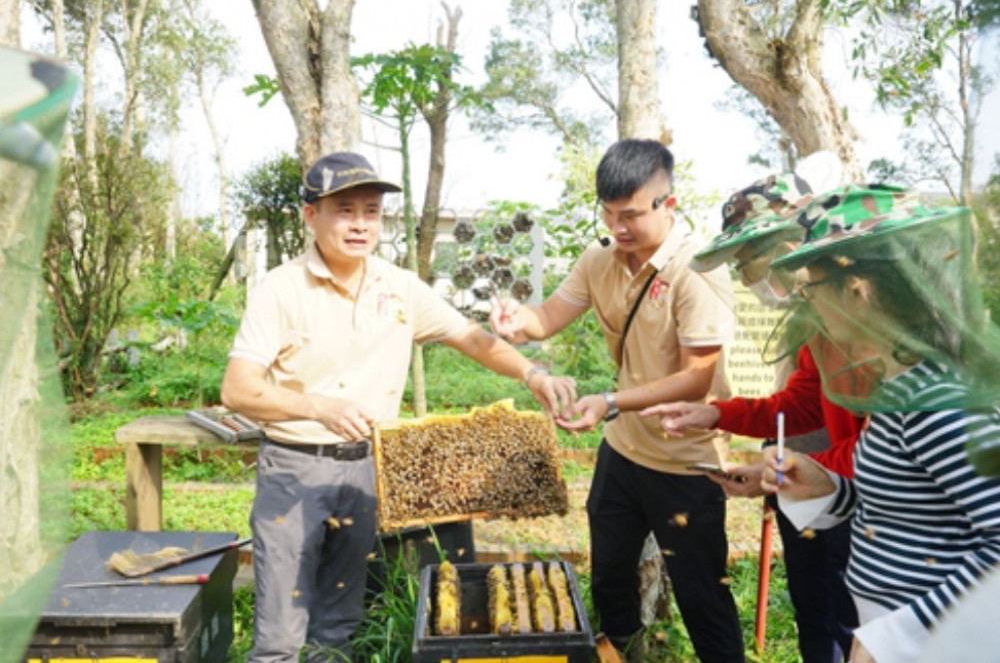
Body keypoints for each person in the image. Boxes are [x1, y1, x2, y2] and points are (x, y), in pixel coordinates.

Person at [220, 151, 577, 663]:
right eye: (345, 210)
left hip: (369, 469)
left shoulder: (400, 286)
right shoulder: (279, 289)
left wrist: (531, 372)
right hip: (294, 471)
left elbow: (473, 340)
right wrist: (316, 406)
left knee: (339, 625)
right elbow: (237, 390)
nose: (361, 223)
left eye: (371, 210)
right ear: (311, 215)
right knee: (279, 633)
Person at [491, 139, 743, 662]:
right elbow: (550, 315)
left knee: (703, 598)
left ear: (667, 204)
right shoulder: (600, 259)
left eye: (630, 215)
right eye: (608, 214)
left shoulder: (699, 270)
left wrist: (610, 400)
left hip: (686, 462)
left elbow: (698, 378)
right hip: (623, 455)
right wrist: (518, 323)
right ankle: (622, 655)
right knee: (608, 580)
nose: (618, 228)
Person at [758, 186, 1000, 663]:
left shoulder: (936, 401)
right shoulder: (904, 389)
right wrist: (825, 485)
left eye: (811, 287)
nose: (808, 304)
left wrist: (894, 636)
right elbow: (915, 510)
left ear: (857, 291)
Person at [640, 157, 865, 663]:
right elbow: (803, 402)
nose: (747, 279)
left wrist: (784, 475)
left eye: (751, 263)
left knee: (859, 626)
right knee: (818, 614)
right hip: (838, 488)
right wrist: (716, 415)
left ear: (791, 246)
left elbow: (893, 447)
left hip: (892, 514)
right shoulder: (819, 319)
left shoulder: (866, 309)